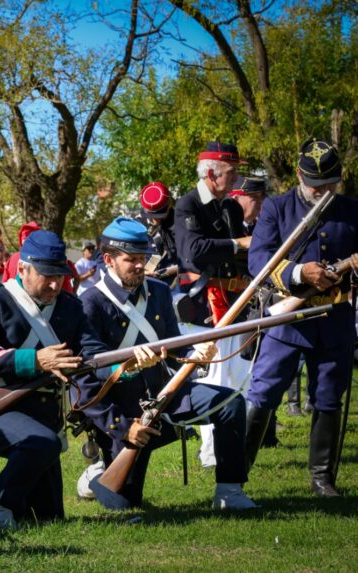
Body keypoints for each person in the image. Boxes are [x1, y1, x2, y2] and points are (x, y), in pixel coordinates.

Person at [0, 229, 166, 528]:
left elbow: (92, 356)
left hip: (44, 416)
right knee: (42, 445)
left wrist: (127, 366)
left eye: (60, 276)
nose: (55, 284)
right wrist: (35, 359)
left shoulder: (70, 306)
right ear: (23, 269)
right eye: (47, 276)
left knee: (47, 518)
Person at [77, 218, 256, 511]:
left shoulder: (158, 292)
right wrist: (127, 366)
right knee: (124, 503)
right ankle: (98, 471)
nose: (139, 265)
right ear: (108, 260)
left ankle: (229, 492)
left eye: (143, 258)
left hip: (166, 392)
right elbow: (91, 363)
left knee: (230, 403)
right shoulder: (91, 302)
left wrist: (195, 352)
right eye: (131, 259)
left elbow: (174, 344)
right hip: (125, 410)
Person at [244, 138, 358, 498]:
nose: (323, 192)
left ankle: (322, 478)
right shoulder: (277, 208)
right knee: (263, 393)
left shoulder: (351, 209)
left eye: (330, 185)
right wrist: (298, 273)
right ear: (298, 176)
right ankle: (235, 475)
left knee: (328, 397)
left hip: (335, 316)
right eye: (316, 185)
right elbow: (258, 261)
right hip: (286, 320)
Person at [174, 142, 249, 326]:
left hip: (236, 298)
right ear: (211, 175)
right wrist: (238, 244)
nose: (236, 177)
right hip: (203, 303)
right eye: (231, 171)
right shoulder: (188, 204)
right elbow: (194, 250)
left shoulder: (232, 207)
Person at [2, 221, 79, 294]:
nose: (54, 286)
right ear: (21, 269)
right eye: (46, 275)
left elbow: (4, 285)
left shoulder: (11, 259)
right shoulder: (13, 260)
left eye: (59, 276)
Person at [138, 182, 179, 285]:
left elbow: (189, 259)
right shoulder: (137, 225)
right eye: (152, 215)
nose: (155, 220)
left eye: (159, 216)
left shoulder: (179, 223)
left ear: (169, 205)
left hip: (176, 281)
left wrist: (168, 272)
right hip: (145, 282)